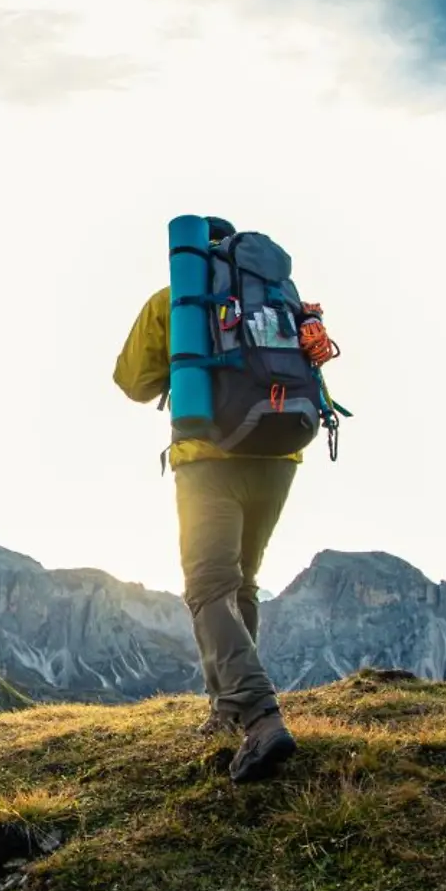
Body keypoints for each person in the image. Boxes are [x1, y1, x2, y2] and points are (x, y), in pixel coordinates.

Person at [113, 253, 305, 784]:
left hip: (208, 461)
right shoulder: (277, 297)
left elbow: (132, 381)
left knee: (208, 586)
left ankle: (260, 717)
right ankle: (227, 713)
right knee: (242, 583)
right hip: (278, 455)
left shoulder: (175, 301)